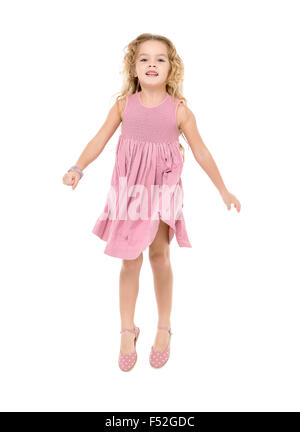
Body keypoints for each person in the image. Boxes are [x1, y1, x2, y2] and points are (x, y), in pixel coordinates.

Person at [62, 33, 241, 372]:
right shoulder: (123, 106)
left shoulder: (180, 111)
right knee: (130, 259)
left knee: (159, 255)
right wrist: (77, 167)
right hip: (130, 190)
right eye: (144, 58)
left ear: (171, 68)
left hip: (163, 188)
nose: (152, 64)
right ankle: (127, 330)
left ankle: (163, 328)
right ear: (133, 68)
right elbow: (99, 139)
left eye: (160, 58)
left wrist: (223, 190)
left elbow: (201, 152)